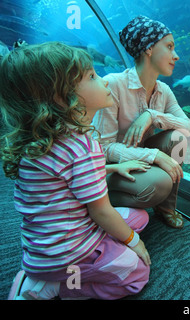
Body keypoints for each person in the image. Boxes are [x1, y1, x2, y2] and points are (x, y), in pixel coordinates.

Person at [0, 42, 151, 300]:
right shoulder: (82, 146)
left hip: (42, 245)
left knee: (139, 218)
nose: (103, 80)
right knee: (136, 272)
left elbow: (64, 179)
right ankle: (54, 286)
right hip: (70, 250)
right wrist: (134, 243)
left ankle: (46, 273)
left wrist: (114, 165)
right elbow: (101, 211)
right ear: (62, 96)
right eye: (92, 76)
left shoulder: (39, 141)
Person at [92, 16, 190, 229]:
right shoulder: (113, 84)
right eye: (169, 46)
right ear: (148, 48)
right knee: (159, 184)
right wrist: (154, 155)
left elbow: (187, 126)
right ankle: (97, 204)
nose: (176, 55)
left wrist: (152, 115)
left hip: (138, 157)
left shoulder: (163, 90)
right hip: (111, 168)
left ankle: (166, 208)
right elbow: (102, 148)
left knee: (179, 137)